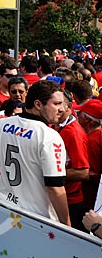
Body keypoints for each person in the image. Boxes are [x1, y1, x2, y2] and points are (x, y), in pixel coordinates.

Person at [0, 80, 71, 226]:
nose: (62, 109)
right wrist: (67, 225)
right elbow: (55, 188)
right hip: (37, 220)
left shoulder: (4, 124)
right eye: (57, 104)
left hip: (6, 210)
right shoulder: (49, 136)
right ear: (38, 105)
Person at [56, 89, 89, 231]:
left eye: (58, 104)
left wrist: (51, 174)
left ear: (69, 106)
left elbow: (83, 172)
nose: (53, 108)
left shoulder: (74, 132)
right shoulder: (58, 125)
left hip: (69, 201)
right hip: (60, 196)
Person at [76, 99, 102, 212]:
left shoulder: (91, 141)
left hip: (90, 199)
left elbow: (93, 174)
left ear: (88, 120)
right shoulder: (98, 134)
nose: (77, 116)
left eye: (80, 114)